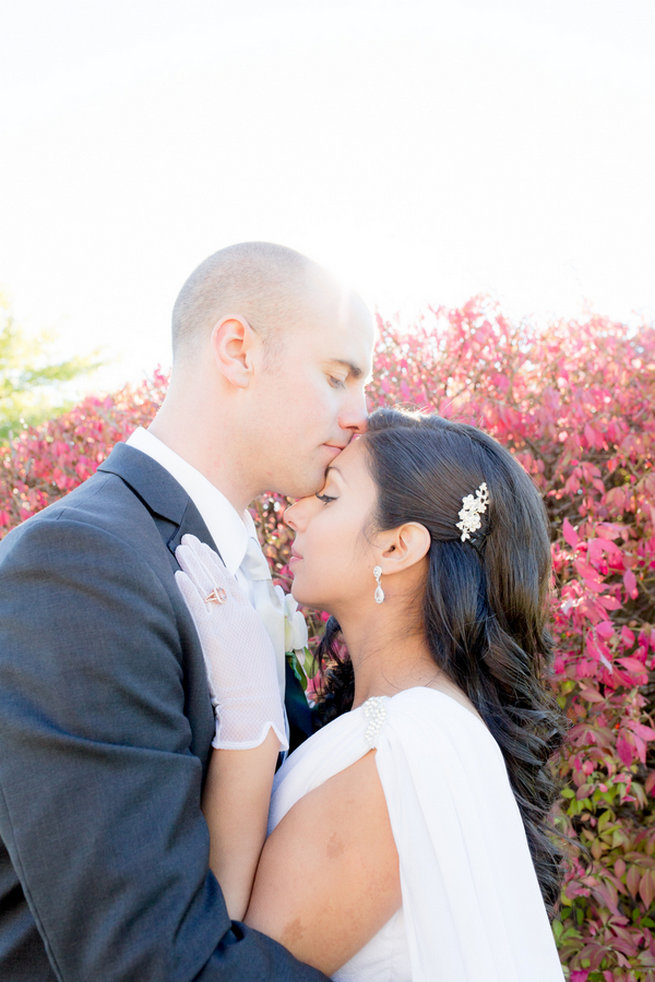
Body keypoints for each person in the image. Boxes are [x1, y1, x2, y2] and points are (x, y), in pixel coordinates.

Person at [0, 242, 374, 980]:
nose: (359, 414)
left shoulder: (240, 567)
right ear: (237, 349)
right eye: (337, 376)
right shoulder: (81, 566)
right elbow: (146, 962)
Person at [175, 409, 567, 981]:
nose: (291, 511)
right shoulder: (413, 728)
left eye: (328, 497)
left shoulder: (402, 750)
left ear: (396, 548)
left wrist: (248, 723)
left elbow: (218, 969)